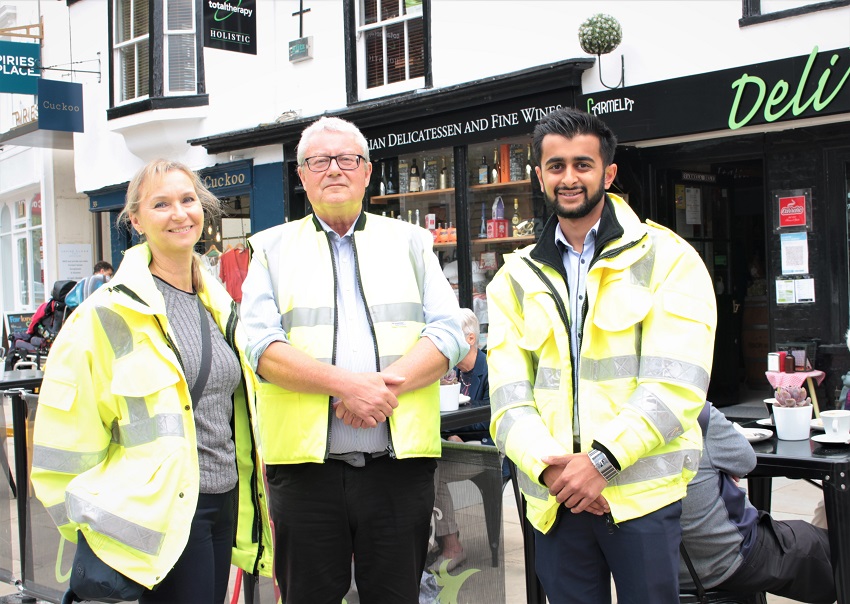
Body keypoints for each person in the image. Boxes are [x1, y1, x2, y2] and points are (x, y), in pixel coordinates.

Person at [486, 107, 717, 602]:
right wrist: (554, 472)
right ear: (540, 175)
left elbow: (676, 386)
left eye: (583, 164)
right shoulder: (513, 278)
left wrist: (600, 463)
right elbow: (507, 399)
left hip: (639, 500)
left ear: (608, 173)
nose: (569, 178)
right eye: (556, 166)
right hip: (556, 500)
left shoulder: (669, 258)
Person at [240, 116, 468, 604]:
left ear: (367, 172)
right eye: (319, 161)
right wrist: (347, 386)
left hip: (397, 471)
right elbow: (260, 347)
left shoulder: (410, 242)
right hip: (306, 475)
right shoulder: (271, 249)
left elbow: (449, 334)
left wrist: (380, 390)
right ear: (302, 176)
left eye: (347, 159)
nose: (334, 170)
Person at [30, 159, 273, 604]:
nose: (179, 213)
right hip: (165, 514)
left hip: (225, 501)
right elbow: (62, 439)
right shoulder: (104, 313)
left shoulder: (217, 303)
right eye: (161, 204)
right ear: (137, 221)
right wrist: (96, 526)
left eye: (187, 200)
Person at [680, 401, 835, 603]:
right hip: (725, 557)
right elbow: (745, 460)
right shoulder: (697, 411)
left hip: (661, 565)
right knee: (823, 545)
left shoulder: (627, 423)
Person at [431, 308, 491, 572]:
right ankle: (437, 539)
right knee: (422, 462)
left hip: (487, 451)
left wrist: (459, 429)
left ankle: (452, 545)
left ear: (469, 339)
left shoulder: (491, 368)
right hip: (456, 446)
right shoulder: (451, 371)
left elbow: (492, 417)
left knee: (433, 469)